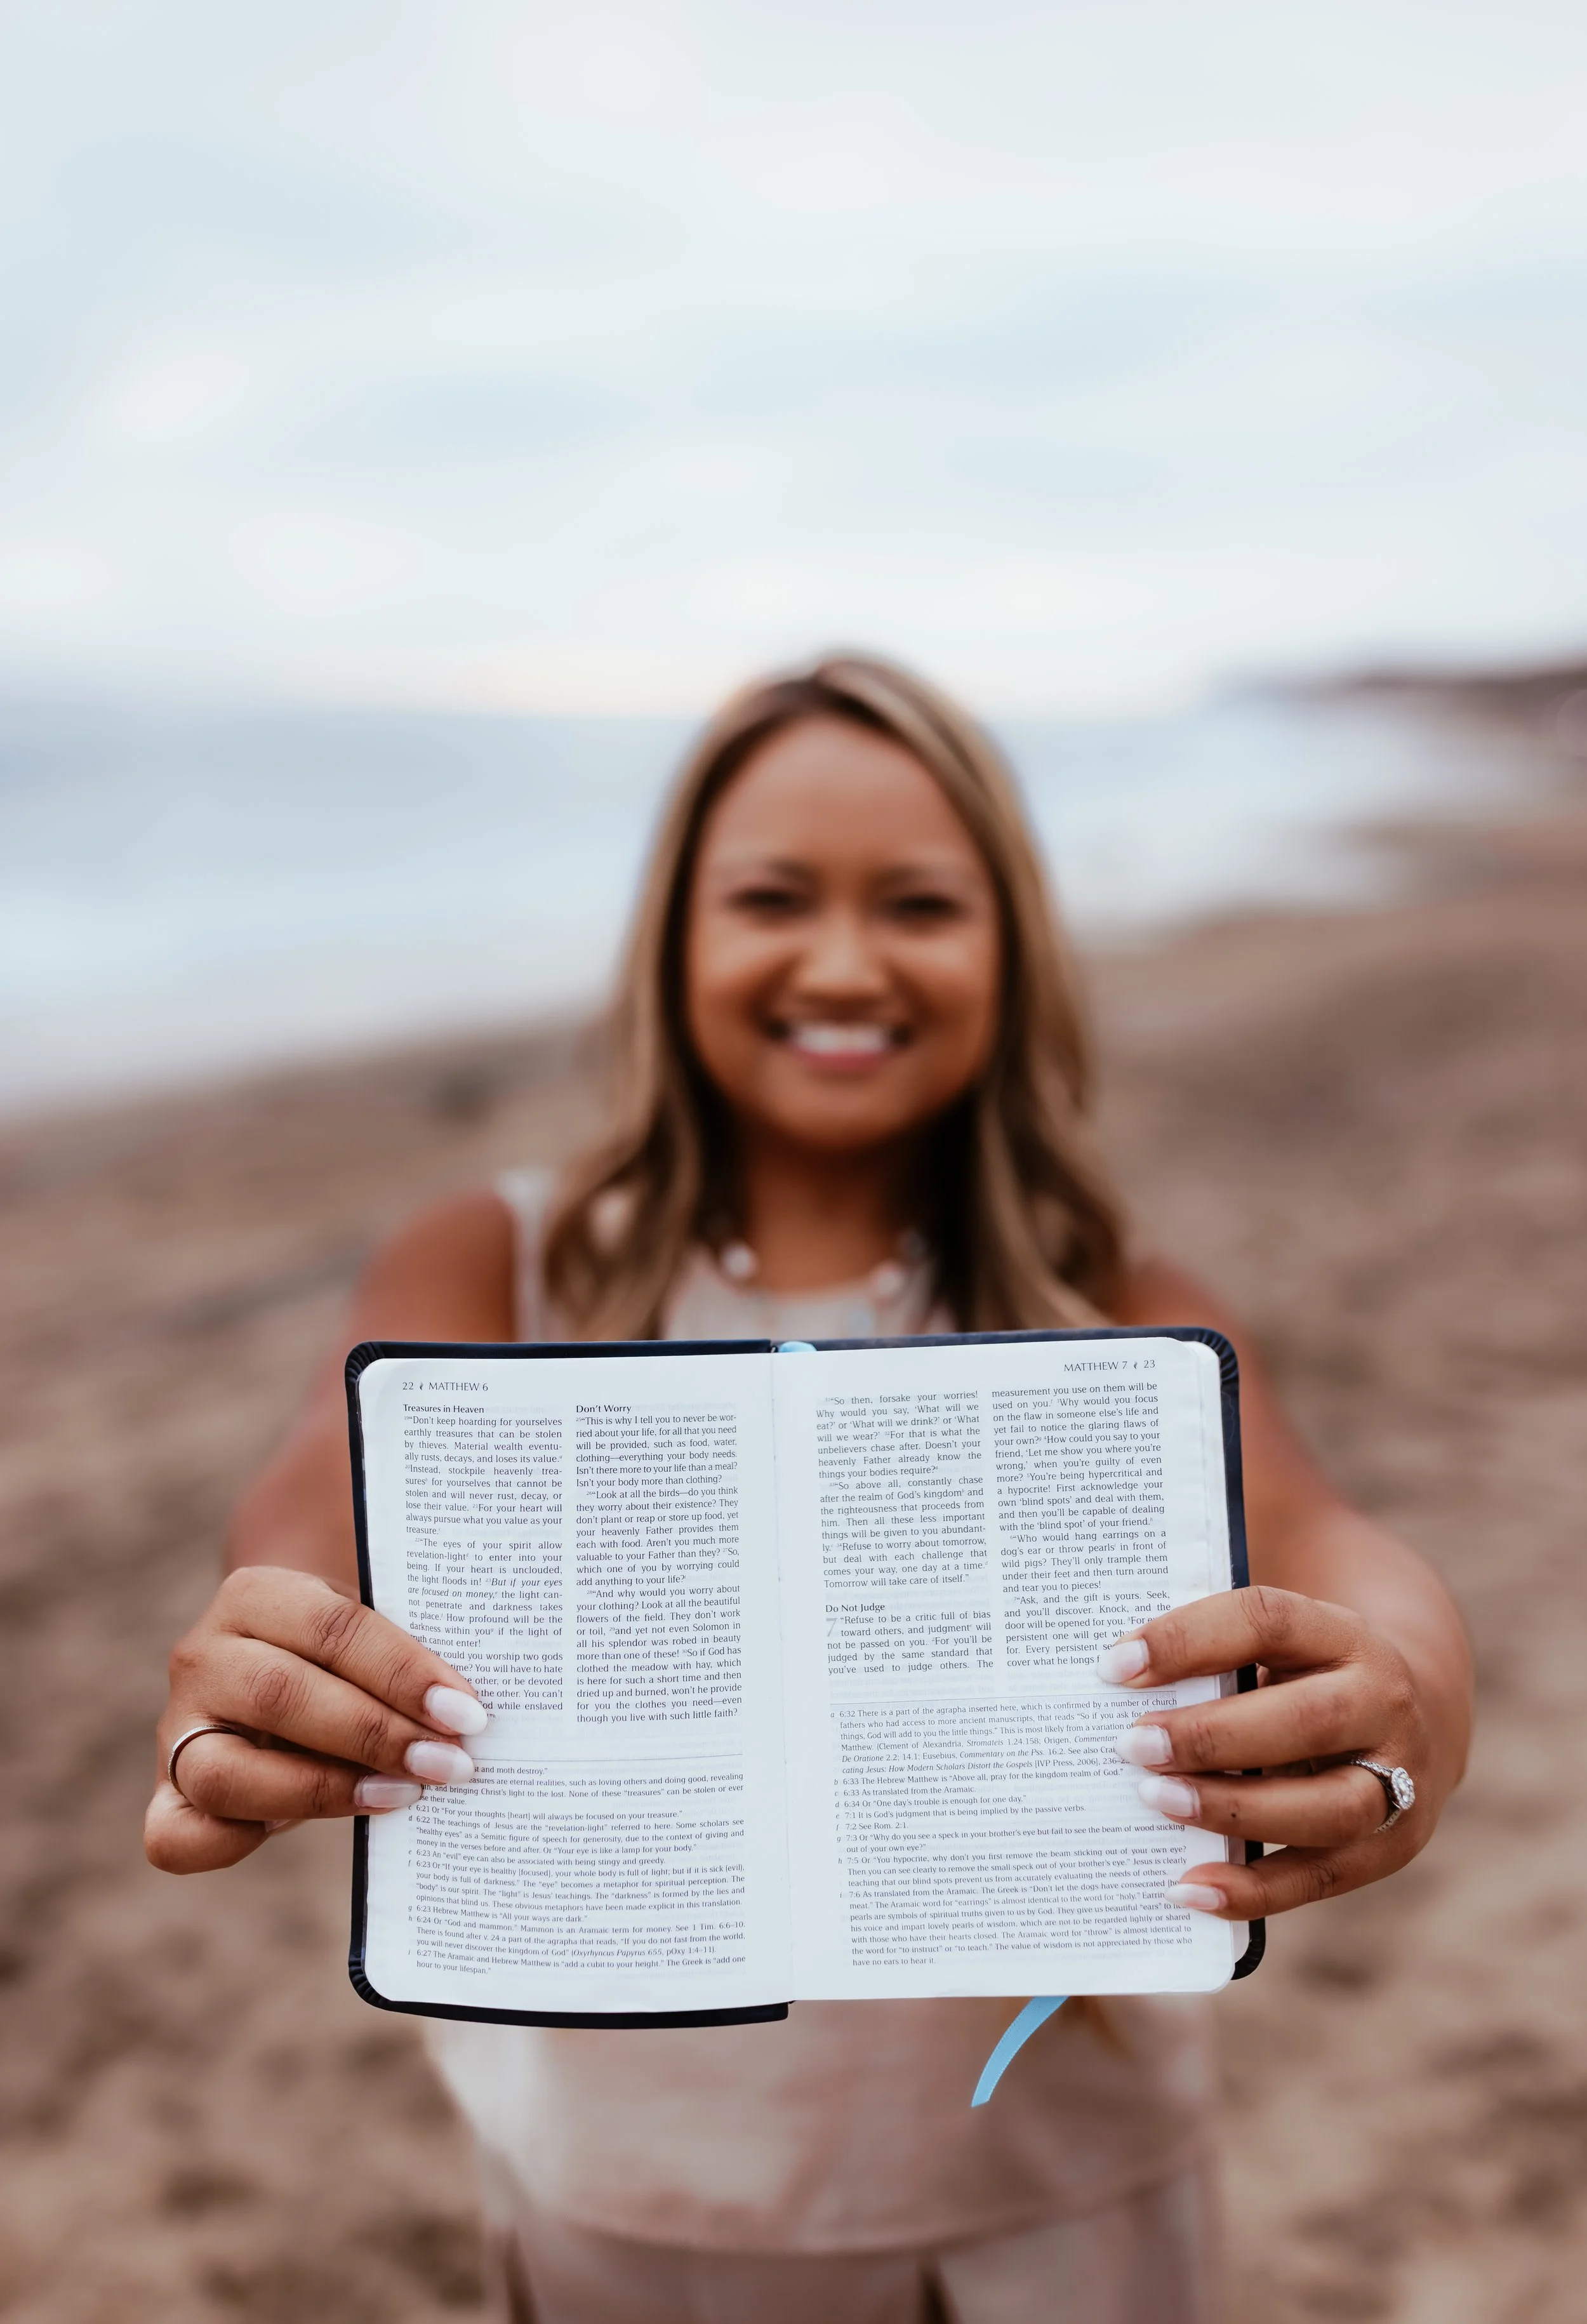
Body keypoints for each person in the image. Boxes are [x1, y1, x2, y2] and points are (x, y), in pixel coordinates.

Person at [145, 654, 1471, 2323]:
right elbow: (314, 1511)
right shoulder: (496, 1263)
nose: (842, 960)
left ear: (1010, 946)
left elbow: (1332, 1540)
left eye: (917, 902)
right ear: (673, 935)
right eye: (772, 896)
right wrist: (266, 1661)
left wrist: (1408, 1686)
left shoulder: (1114, 1304)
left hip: (1059, 2198)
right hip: (625, 2196)